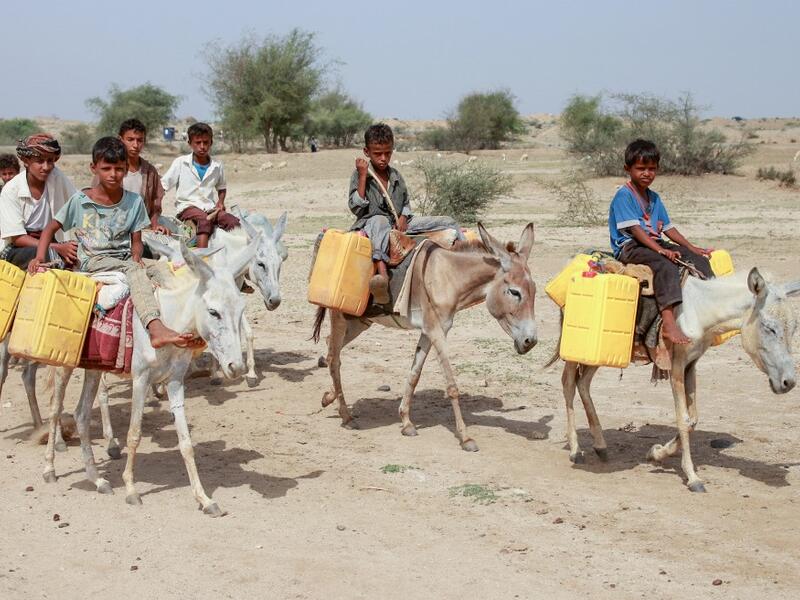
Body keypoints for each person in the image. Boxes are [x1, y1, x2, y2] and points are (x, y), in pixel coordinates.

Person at [28, 137, 200, 349]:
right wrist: (39, 257)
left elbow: (136, 241)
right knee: (134, 271)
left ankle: (185, 324)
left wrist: (137, 256)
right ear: (94, 168)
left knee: (165, 269)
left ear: (126, 169)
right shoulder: (80, 201)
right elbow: (49, 229)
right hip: (93, 259)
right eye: (106, 168)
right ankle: (155, 328)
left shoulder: (134, 202)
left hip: (123, 256)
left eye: (119, 169)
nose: (113, 174)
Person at [609, 139, 713, 344]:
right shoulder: (624, 196)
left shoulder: (654, 198)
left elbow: (668, 229)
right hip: (630, 246)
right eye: (641, 169)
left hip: (654, 242)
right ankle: (668, 323)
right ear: (627, 169)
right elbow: (636, 230)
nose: (647, 173)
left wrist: (691, 248)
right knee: (666, 266)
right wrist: (660, 250)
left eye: (652, 169)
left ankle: (710, 307)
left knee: (699, 260)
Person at [349, 123, 463, 304]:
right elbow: (356, 207)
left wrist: (403, 216)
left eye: (388, 153)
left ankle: (465, 260)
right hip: (372, 222)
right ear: (366, 152)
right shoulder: (360, 175)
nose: (383, 158)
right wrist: (363, 175)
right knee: (380, 221)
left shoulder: (395, 176)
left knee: (448, 221)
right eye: (377, 154)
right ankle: (382, 276)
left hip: (399, 222)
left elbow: (405, 202)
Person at [0, 134, 78, 269]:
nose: (46, 167)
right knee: (47, 255)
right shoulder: (11, 190)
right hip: (19, 247)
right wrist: (57, 247)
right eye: (40, 161)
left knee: (78, 251)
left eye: (50, 161)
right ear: (26, 161)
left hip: (51, 241)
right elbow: (17, 238)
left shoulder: (57, 177)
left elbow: (77, 203)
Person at [160, 122, 238, 248]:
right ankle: (203, 256)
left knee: (232, 221)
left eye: (206, 142)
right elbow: (163, 186)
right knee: (204, 221)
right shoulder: (180, 163)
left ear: (211, 142)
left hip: (209, 208)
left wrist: (221, 202)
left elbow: (221, 187)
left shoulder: (217, 165)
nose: (202, 146)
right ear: (190, 143)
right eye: (198, 142)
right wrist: (155, 206)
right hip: (187, 208)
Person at [92, 118, 167, 234]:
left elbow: (155, 206)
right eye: (130, 140)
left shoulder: (150, 171)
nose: (135, 145)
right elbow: (96, 202)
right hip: (111, 229)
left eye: (140, 140)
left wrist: (155, 224)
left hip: (141, 229)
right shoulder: (109, 170)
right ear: (120, 139)